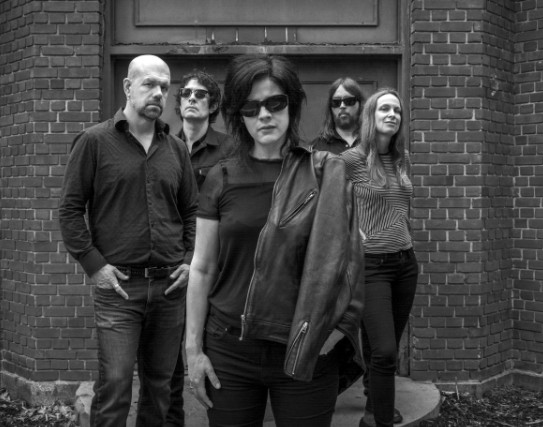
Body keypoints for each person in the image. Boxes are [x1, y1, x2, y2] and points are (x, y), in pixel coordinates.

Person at [185, 54, 365, 427]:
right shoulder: (220, 177)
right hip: (229, 348)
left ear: (292, 104)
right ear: (238, 115)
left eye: (275, 103)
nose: (264, 115)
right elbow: (201, 268)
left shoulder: (325, 172)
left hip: (305, 343)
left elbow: (349, 266)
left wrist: (331, 336)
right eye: (251, 108)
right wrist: (193, 350)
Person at [59, 55, 198, 427]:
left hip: (169, 288)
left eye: (164, 86)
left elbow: (191, 210)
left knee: (161, 388)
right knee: (116, 386)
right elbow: (70, 210)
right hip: (119, 288)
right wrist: (95, 267)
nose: (158, 93)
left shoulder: (176, 149)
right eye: (149, 83)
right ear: (127, 87)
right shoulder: (94, 141)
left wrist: (189, 259)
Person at [340, 88, 418, 427]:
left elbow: (399, 205)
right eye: (384, 108)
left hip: (405, 264)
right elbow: (323, 203)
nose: (392, 115)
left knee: (383, 347)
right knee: (385, 351)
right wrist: (348, 230)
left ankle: (374, 410)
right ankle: (382, 420)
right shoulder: (351, 160)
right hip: (371, 266)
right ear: (371, 116)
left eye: (397, 110)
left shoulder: (402, 158)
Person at [166, 70, 233, 427]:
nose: (192, 98)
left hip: (212, 267)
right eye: (186, 93)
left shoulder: (229, 149)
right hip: (169, 267)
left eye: (201, 94)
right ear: (178, 103)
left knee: (211, 351)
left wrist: (194, 260)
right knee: (167, 362)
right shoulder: (164, 147)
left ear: (213, 104)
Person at [310, 77, 364, 154]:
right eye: (336, 102)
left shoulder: (373, 141)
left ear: (360, 104)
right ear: (330, 107)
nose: (342, 106)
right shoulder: (316, 148)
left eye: (349, 101)